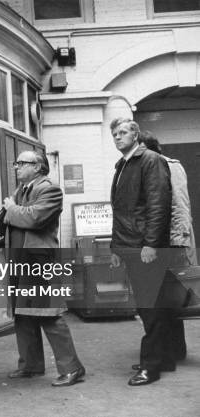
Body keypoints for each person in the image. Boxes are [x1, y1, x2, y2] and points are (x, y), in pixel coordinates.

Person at [1, 150, 85, 387]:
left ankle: (73, 368)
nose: (16, 167)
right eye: (15, 162)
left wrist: (10, 209)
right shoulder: (22, 190)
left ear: (38, 167)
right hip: (19, 260)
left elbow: (34, 219)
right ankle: (30, 365)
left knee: (49, 316)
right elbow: (19, 218)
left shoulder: (50, 189)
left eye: (21, 163)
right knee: (22, 314)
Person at [109, 118, 173, 386]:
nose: (118, 137)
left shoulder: (150, 160)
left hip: (144, 246)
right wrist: (116, 247)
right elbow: (120, 211)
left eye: (123, 132)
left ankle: (151, 366)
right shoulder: (122, 165)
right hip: (130, 244)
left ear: (135, 135)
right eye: (114, 134)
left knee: (150, 307)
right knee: (150, 306)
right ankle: (162, 358)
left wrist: (151, 244)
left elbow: (159, 205)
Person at [136, 131, 195, 365]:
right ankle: (171, 352)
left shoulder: (170, 166)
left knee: (162, 302)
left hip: (168, 244)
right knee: (162, 302)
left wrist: (179, 241)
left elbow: (180, 204)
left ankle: (165, 355)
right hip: (150, 244)